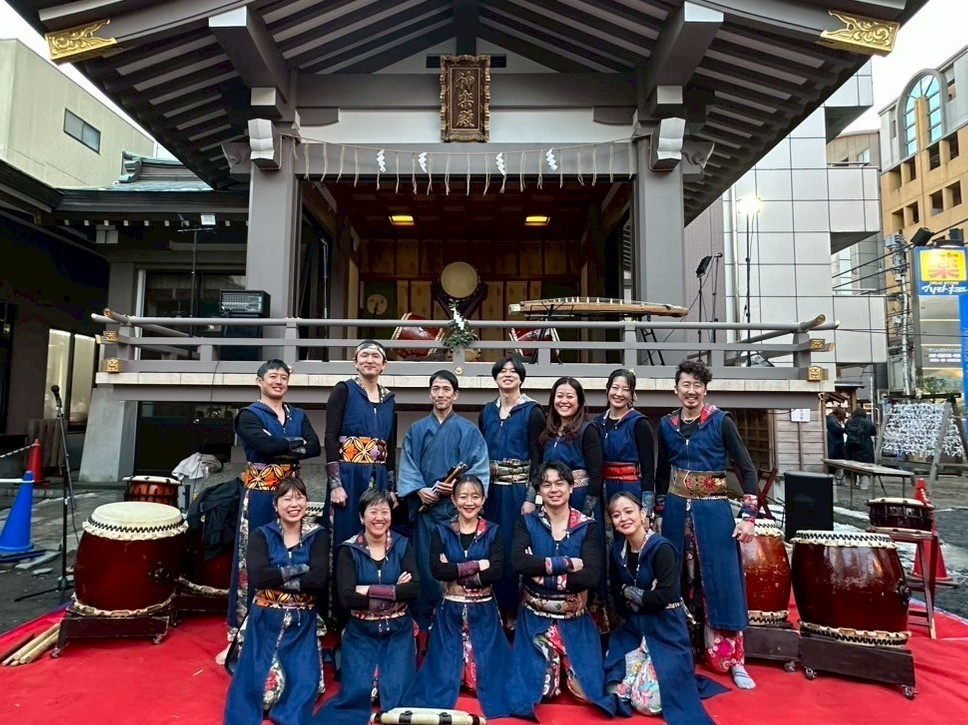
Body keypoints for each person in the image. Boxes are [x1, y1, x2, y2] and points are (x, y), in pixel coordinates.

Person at [655, 358, 758, 690]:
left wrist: (748, 516)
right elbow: (661, 473)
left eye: (697, 385)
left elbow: (747, 469)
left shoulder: (720, 421)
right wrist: (657, 511)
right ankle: (683, 647)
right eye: (685, 384)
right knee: (677, 578)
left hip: (714, 511)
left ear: (705, 390)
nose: (691, 391)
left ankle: (731, 659)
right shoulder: (667, 425)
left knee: (721, 579)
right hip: (675, 510)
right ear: (676, 389)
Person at [405, 475, 528, 718]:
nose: (469, 502)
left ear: (483, 500)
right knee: (444, 679)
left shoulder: (493, 531)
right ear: (453, 499)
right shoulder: (442, 531)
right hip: (450, 611)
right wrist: (479, 565)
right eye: (463, 497)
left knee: (483, 680)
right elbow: (437, 570)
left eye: (475, 497)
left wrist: (455, 569)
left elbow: (496, 572)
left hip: (483, 611)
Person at [225, 359, 321, 662]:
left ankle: (292, 616)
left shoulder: (298, 414)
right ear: (259, 381)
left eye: (283, 377)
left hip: (292, 495)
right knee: (253, 555)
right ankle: (244, 627)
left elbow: (315, 447)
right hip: (261, 494)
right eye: (273, 377)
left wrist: (279, 444)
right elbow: (263, 447)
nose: (279, 382)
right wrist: (294, 445)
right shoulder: (249, 415)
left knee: (293, 550)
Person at [604, 492, 727, 724]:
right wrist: (642, 594)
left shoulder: (662, 549)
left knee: (646, 703)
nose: (624, 518)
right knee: (613, 687)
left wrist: (629, 591)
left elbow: (664, 597)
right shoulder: (618, 551)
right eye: (617, 515)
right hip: (635, 630)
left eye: (629, 511)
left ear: (642, 514)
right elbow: (616, 592)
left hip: (665, 631)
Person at [509, 461, 616, 717]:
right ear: (539, 490)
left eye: (560, 483)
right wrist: (566, 564)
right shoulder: (528, 522)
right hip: (536, 620)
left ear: (571, 487)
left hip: (575, 620)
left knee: (586, 693)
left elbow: (591, 576)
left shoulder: (586, 526)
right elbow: (519, 562)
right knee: (541, 690)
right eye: (546, 485)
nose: (554, 489)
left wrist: (540, 572)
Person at [224, 478, 329, 725]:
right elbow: (259, 578)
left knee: (302, 688)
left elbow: (318, 580)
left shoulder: (317, 535)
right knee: (260, 693)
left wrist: (277, 574)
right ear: (275, 505)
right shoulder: (262, 535)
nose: (294, 504)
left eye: (299, 497)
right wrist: (301, 569)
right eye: (287, 498)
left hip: (302, 622)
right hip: (264, 619)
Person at [315, 489, 419, 725]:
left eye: (385, 511)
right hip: (361, 632)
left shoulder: (402, 545)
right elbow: (347, 598)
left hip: (398, 630)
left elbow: (414, 589)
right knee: (358, 695)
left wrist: (366, 589)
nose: (379, 517)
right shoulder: (348, 550)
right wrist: (394, 589)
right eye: (373, 512)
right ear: (361, 517)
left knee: (400, 697)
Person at [397, 370, 490, 631]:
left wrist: (458, 490)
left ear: (455, 395)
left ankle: (456, 617)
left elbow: (479, 470)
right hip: (426, 512)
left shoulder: (468, 431)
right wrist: (419, 490)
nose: (441, 394)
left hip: (456, 512)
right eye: (436, 389)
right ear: (430, 393)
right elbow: (408, 466)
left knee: (454, 562)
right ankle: (424, 618)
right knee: (425, 564)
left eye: (446, 389)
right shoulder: (416, 430)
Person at [324, 339, 397, 621]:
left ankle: (374, 603)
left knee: (376, 536)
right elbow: (330, 436)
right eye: (364, 355)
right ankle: (339, 612)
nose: (370, 360)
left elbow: (390, 447)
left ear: (384, 365)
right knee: (345, 538)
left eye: (376, 356)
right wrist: (335, 484)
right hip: (349, 475)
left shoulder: (389, 399)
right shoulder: (344, 390)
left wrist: (391, 488)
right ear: (355, 361)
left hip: (378, 478)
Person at [478, 354, 543, 619]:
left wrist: (531, 497)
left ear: (521, 378)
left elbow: (538, 457)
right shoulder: (487, 411)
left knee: (516, 546)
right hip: (492, 491)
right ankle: (493, 606)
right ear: (495, 378)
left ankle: (518, 609)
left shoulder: (532, 411)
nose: (507, 374)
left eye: (513, 371)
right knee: (492, 545)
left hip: (518, 492)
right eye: (502, 371)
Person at [524, 377, 603, 519]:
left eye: (570, 397)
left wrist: (586, 511)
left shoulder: (588, 430)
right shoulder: (548, 432)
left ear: (579, 401)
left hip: (579, 498)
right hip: (552, 497)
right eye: (559, 396)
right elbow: (537, 466)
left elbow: (596, 474)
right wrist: (530, 499)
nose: (564, 401)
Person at [594, 368, 655, 506]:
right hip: (601, 488)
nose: (619, 393)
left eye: (626, 389)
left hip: (630, 488)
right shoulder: (597, 423)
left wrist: (648, 504)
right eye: (615, 388)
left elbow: (648, 468)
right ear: (607, 389)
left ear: (632, 393)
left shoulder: (639, 423)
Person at [845, 406, 877, 490]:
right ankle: (864, 485)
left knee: (850, 466)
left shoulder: (849, 422)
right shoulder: (868, 423)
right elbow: (874, 432)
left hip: (851, 448)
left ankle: (851, 484)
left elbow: (846, 431)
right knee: (865, 468)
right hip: (865, 448)